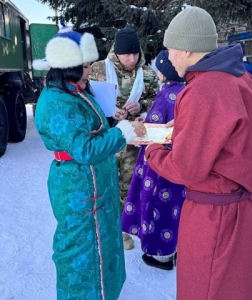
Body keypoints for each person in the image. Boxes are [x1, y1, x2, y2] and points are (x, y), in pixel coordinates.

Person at [144, 7, 252, 300]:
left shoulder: (205, 88)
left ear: (187, 49)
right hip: (242, 212)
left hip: (213, 217)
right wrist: (186, 125)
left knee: (203, 291)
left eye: (171, 50)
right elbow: (231, 131)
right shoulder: (239, 77)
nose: (169, 57)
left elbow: (186, 168)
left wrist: (152, 149)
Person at [33, 26, 146, 300]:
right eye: (83, 66)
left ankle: (104, 293)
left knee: (103, 245)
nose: (88, 70)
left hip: (96, 187)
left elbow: (94, 128)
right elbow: (83, 149)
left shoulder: (75, 90)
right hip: (79, 190)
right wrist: (123, 133)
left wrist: (118, 124)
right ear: (66, 66)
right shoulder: (57, 102)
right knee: (80, 250)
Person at [90, 27, 158, 250]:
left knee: (127, 186)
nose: (132, 59)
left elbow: (157, 102)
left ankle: (123, 229)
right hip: (106, 139)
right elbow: (86, 100)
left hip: (132, 144)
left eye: (135, 53)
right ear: (116, 52)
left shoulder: (147, 74)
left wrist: (142, 106)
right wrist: (108, 112)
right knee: (102, 183)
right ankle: (102, 227)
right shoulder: (97, 70)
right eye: (127, 54)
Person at [122, 49, 186, 270]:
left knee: (156, 204)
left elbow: (153, 130)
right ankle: (174, 248)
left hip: (158, 162)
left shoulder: (166, 95)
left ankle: (160, 255)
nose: (157, 73)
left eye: (159, 70)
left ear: (166, 73)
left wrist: (138, 127)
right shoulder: (185, 92)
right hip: (178, 162)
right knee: (175, 206)